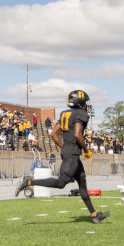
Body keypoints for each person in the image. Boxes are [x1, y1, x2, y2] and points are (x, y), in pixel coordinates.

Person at [14, 90, 108, 225]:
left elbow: (53, 134)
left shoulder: (65, 113)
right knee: (61, 183)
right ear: (80, 102)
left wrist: (64, 147)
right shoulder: (81, 114)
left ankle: (94, 215)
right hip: (72, 153)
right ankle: (28, 183)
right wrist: (86, 149)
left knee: (82, 184)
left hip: (69, 151)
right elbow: (77, 134)